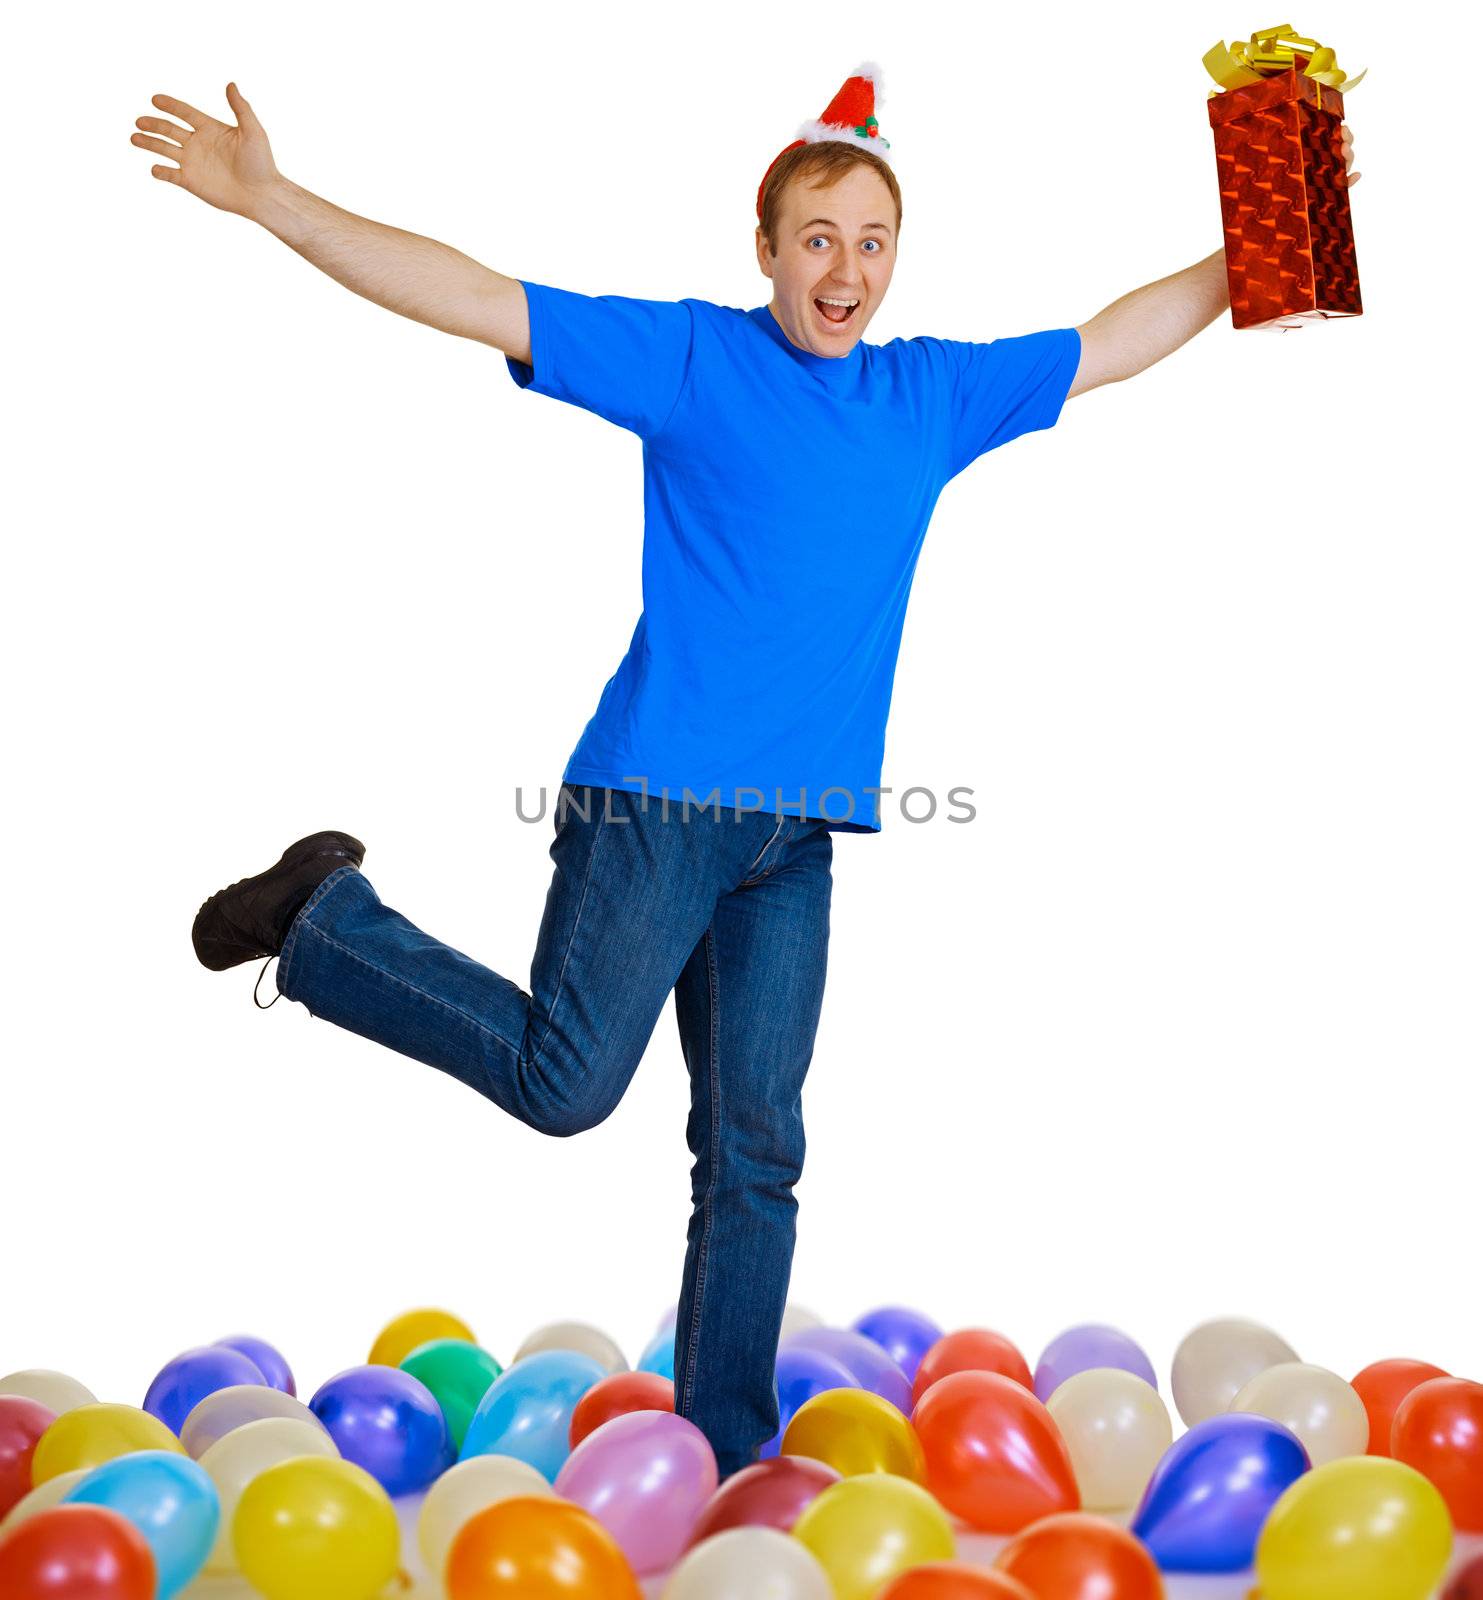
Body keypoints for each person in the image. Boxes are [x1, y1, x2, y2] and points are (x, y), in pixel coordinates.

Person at [133, 65, 1358, 1478]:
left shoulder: (930, 394)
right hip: (655, 808)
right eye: (818, 238)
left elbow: (1114, 339)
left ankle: (718, 1446)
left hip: (796, 840)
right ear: (767, 248)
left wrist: (1265, 230)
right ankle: (320, 921)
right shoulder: (696, 362)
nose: (846, 269)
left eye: (873, 241)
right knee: (566, 1084)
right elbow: (472, 295)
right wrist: (275, 202)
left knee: (756, 1150)